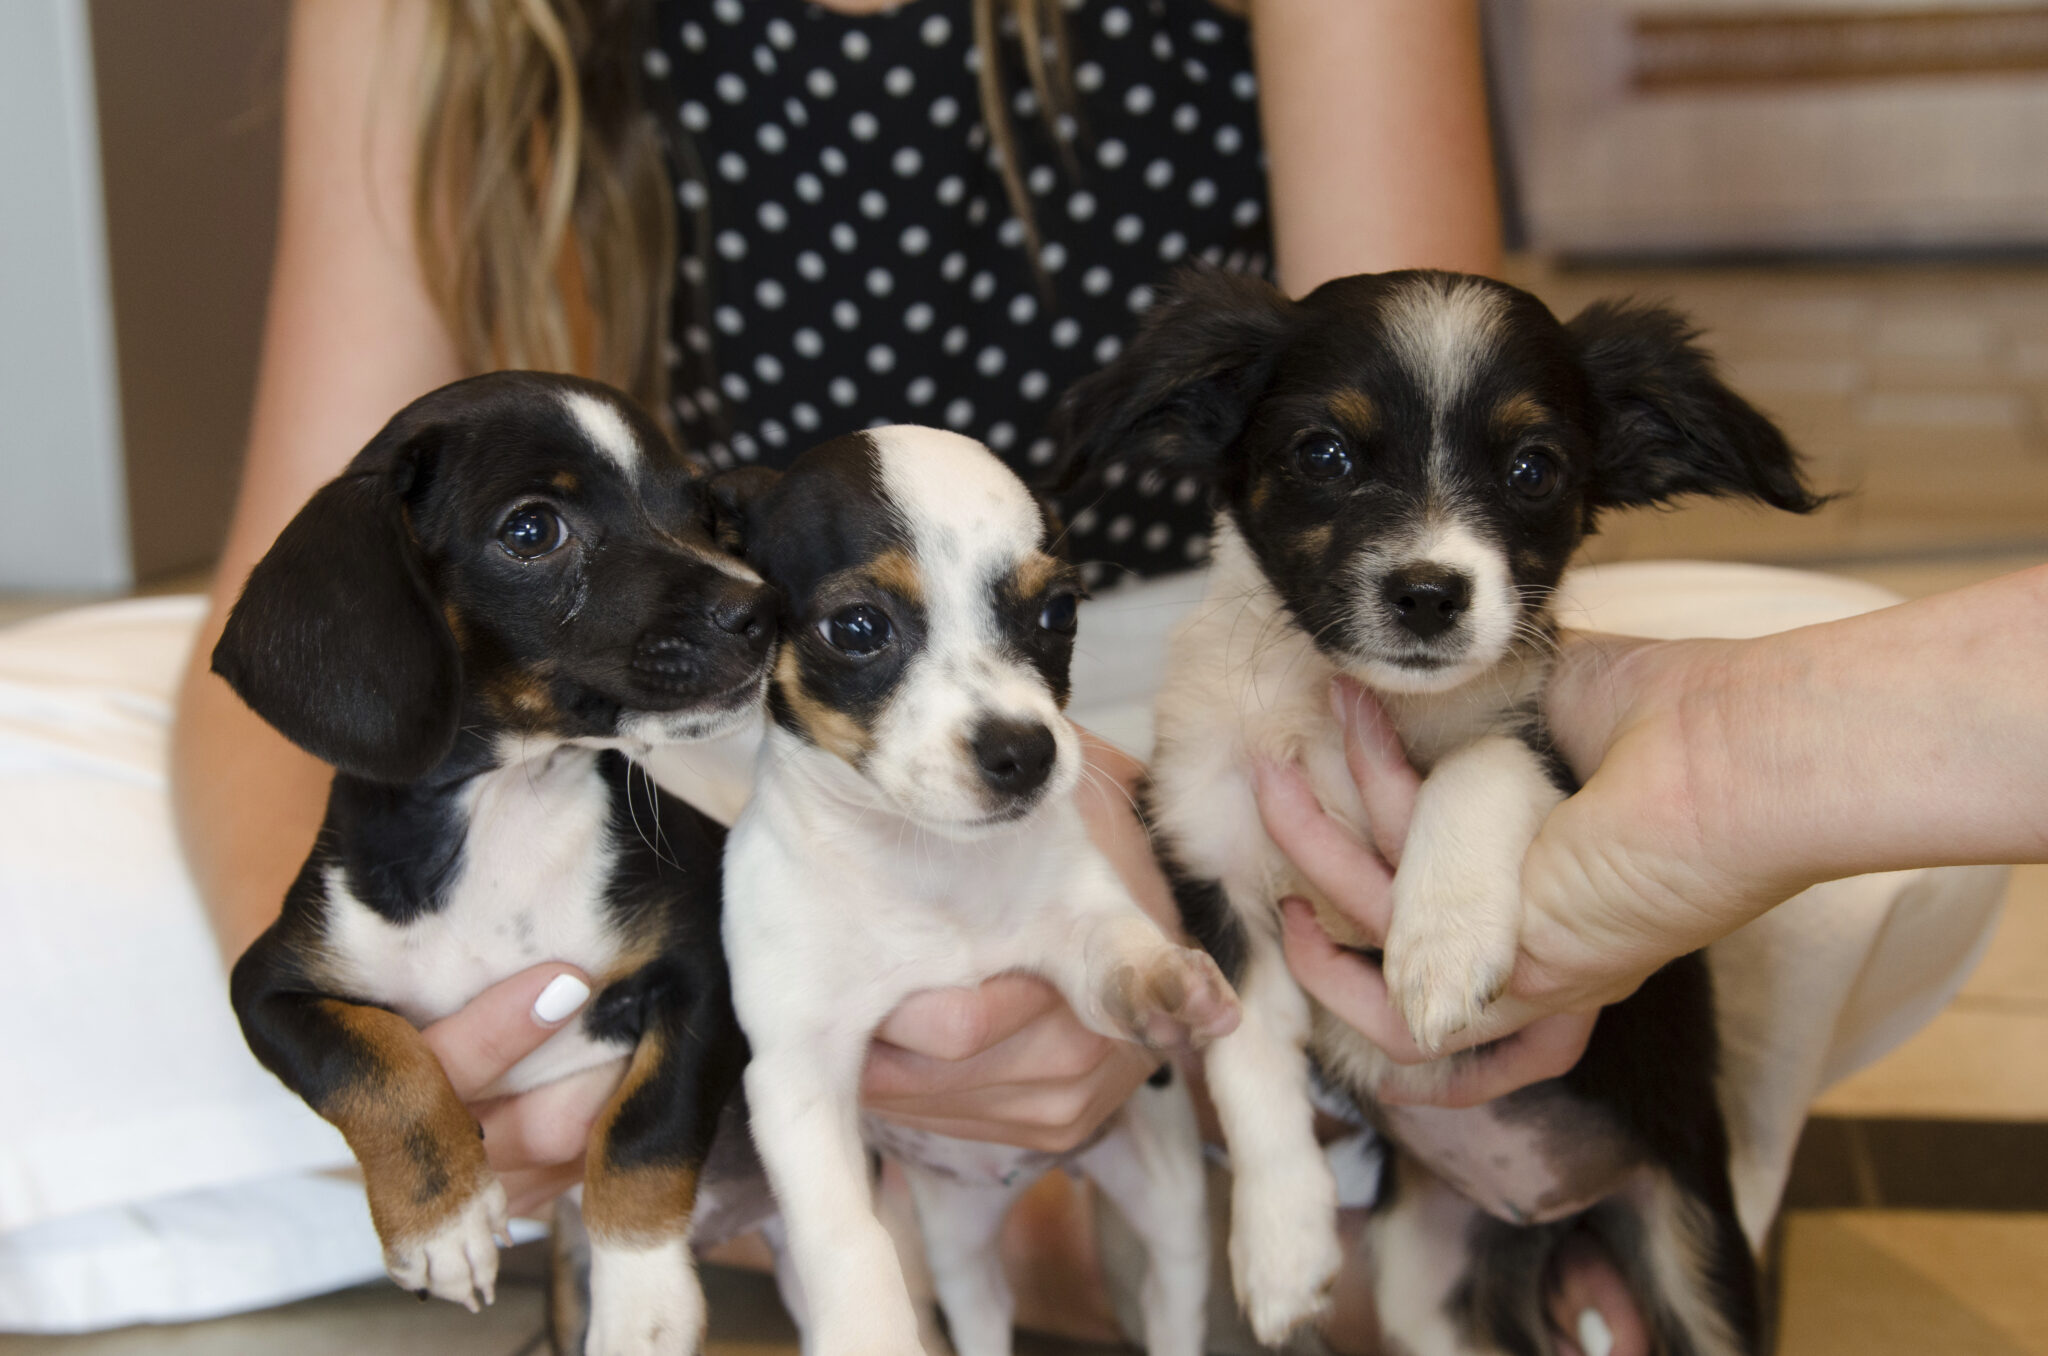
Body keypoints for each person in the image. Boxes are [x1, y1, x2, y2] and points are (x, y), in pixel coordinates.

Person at [164, 2, 2032, 1353]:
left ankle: (1223, 1170)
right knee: (100, 883)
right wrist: (424, 1004)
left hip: (1199, 644)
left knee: (1856, 810)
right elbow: (318, 608)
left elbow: (1427, 457)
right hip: (768, 679)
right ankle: (1081, 1202)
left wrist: (1141, 845)